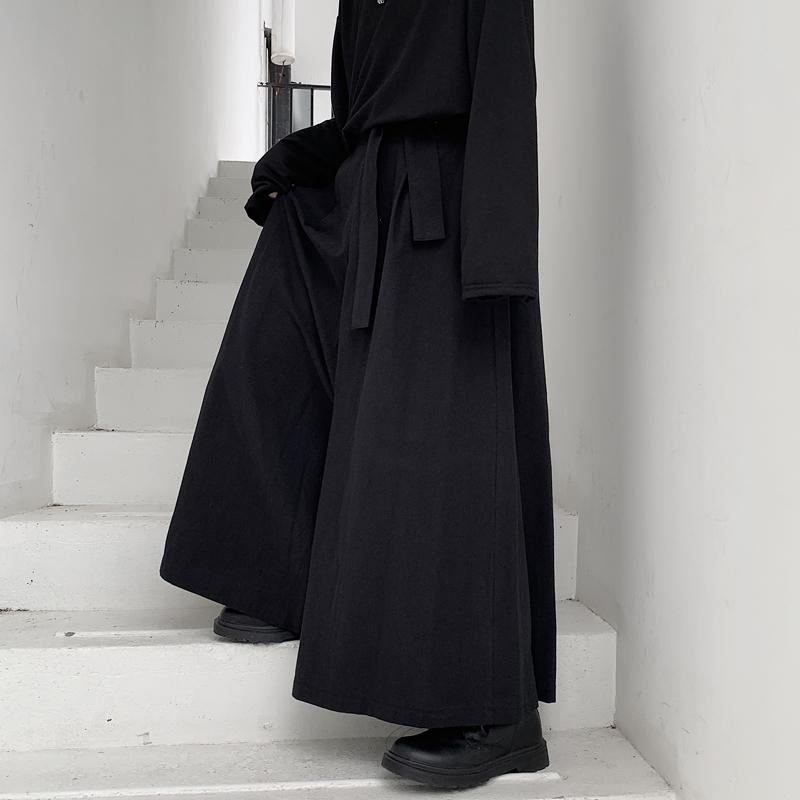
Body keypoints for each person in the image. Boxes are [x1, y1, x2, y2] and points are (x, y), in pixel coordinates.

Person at [160, 0, 556, 788]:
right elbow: (357, 118)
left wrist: (498, 258)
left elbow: (506, 86)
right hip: (368, 191)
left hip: (443, 210)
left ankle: (501, 715)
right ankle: (284, 578)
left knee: (439, 443)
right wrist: (294, 166)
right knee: (280, 330)